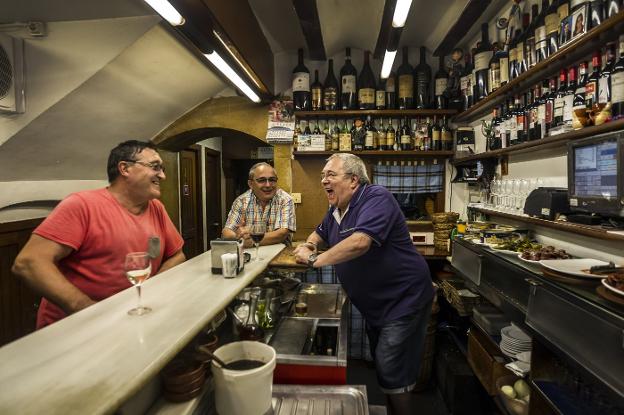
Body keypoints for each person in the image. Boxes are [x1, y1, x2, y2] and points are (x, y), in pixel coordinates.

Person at [293, 153, 434, 415]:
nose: (323, 180)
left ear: (354, 180)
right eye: (323, 175)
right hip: (377, 303)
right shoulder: (336, 209)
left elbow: (360, 242)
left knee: (390, 363)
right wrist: (311, 243)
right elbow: (319, 232)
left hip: (404, 297)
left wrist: (313, 259)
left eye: (330, 175)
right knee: (386, 366)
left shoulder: (376, 197)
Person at [12, 140, 185, 328]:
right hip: (74, 329)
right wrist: (91, 311)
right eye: (155, 167)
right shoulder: (82, 204)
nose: (162, 175)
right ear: (125, 168)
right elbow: (28, 263)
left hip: (128, 322)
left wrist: (150, 291)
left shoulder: (156, 208)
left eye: (162, 168)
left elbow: (177, 255)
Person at [222, 162, 296, 246]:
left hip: (279, 255)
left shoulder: (285, 199)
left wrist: (250, 241)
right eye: (262, 180)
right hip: (251, 255)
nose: (268, 185)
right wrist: (239, 236)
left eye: (272, 180)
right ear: (251, 184)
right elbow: (226, 231)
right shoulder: (241, 201)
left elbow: (281, 234)